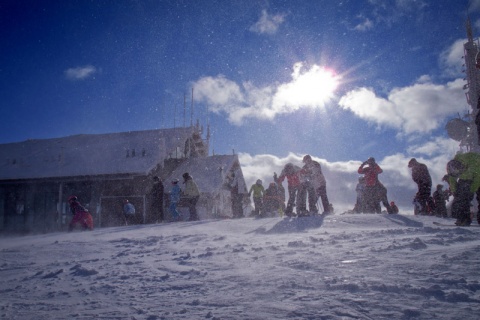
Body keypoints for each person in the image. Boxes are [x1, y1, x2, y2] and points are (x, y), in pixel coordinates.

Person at [446, 152, 480, 226]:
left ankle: (466, 218)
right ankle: (463, 218)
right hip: (466, 179)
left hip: (476, 177)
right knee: (461, 198)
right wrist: (454, 191)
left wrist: (472, 190)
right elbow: (452, 179)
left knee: (468, 195)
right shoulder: (453, 165)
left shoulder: (475, 163)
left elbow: (477, 180)